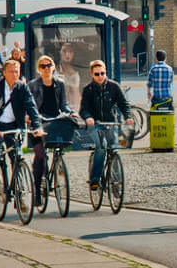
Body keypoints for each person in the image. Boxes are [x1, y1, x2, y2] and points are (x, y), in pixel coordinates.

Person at [0, 60, 44, 197]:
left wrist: (37, 126)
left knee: (16, 156)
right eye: (11, 71)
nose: (14, 74)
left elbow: (31, 107)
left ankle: (20, 193)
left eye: (16, 71)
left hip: (15, 125)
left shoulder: (22, 87)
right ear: (4, 73)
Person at [79, 59, 133, 190]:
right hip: (95, 125)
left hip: (110, 123)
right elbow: (83, 109)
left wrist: (128, 117)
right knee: (101, 147)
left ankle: (116, 183)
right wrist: (88, 118)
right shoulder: (88, 89)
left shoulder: (114, 86)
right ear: (92, 74)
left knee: (114, 149)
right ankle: (95, 179)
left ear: (106, 72)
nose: (100, 76)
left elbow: (124, 104)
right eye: (97, 74)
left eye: (102, 73)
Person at [28, 55, 72, 205]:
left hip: (54, 122)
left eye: (49, 65)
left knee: (58, 148)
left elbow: (63, 105)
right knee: (40, 156)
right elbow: (31, 106)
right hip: (38, 123)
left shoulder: (60, 84)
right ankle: (37, 190)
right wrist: (32, 118)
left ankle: (56, 170)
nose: (46, 68)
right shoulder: (33, 85)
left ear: (53, 67)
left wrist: (68, 112)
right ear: (39, 69)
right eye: (43, 66)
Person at [58, 42, 81, 110]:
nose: (67, 54)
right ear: (60, 52)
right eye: (64, 51)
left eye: (70, 52)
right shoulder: (52, 69)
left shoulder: (77, 71)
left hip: (72, 106)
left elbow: (76, 94)